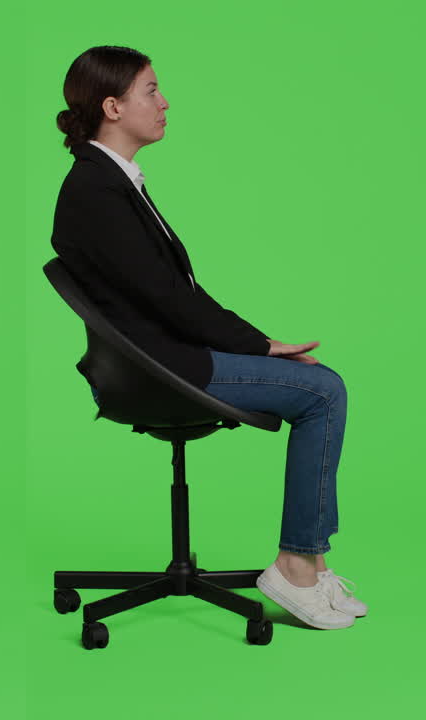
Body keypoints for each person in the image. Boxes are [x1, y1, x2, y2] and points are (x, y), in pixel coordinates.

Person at [50, 45, 364, 630]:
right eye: (151, 91)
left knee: (320, 382)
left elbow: (175, 292)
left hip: (166, 356)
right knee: (324, 391)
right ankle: (295, 564)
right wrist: (260, 346)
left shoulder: (112, 182)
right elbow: (169, 300)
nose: (164, 102)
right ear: (113, 107)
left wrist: (257, 341)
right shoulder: (95, 190)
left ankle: (314, 563)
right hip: (161, 368)